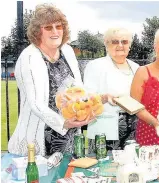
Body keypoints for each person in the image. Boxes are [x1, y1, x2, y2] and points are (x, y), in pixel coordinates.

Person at [8, 4, 91, 156]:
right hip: (39, 137)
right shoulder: (29, 57)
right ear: (37, 31)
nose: (55, 32)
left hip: (69, 135)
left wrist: (87, 106)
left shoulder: (67, 50)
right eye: (48, 27)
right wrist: (63, 123)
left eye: (58, 27)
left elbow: (78, 87)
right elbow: (36, 103)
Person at [84, 27, 139, 153]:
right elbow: (85, 98)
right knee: (103, 167)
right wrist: (104, 97)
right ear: (106, 44)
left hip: (133, 130)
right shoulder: (95, 66)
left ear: (129, 45)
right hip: (105, 130)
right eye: (115, 42)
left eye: (124, 42)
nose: (120, 45)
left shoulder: (136, 67)